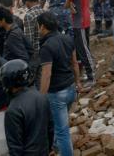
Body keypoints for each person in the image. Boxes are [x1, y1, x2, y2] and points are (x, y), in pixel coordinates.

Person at [37, 11, 81, 156]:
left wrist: (41, 97)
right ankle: (56, 147)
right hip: (70, 88)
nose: (38, 30)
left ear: (43, 27)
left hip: (57, 94)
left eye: (38, 27)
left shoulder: (46, 47)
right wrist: (78, 82)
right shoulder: (67, 38)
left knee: (62, 132)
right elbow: (74, 64)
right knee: (59, 122)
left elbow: (47, 74)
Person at [0, 59, 52, 156]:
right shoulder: (41, 97)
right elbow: (50, 128)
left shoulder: (13, 110)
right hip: (43, 151)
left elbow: (15, 145)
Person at [66, 0, 95, 84]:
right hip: (85, 17)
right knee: (84, 46)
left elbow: (68, 1)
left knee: (83, 49)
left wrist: (67, 5)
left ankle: (91, 76)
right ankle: (89, 73)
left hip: (79, 21)